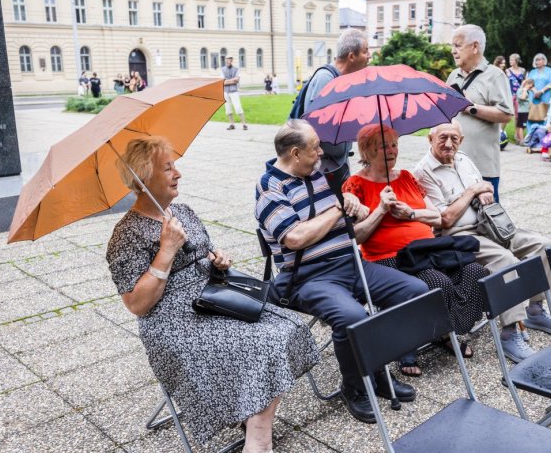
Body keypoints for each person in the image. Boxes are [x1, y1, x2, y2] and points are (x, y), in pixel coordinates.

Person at [106, 136, 319, 453]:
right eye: (168, 168)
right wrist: (166, 251)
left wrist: (217, 260)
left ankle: (252, 414)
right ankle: (259, 439)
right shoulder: (126, 235)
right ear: (143, 178)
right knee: (264, 344)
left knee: (289, 327)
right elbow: (137, 304)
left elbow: (204, 253)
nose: (178, 174)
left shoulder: (182, 212)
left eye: (175, 166)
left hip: (212, 296)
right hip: (172, 319)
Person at [255, 119, 429, 424]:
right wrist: (338, 208)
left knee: (415, 293)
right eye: (314, 148)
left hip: (350, 263)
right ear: (294, 153)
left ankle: (379, 369)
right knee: (353, 318)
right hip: (308, 277)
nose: (321, 153)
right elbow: (294, 238)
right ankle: (355, 387)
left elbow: (347, 225)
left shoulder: (318, 175)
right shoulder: (270, 187)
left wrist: (355, 206)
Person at [414, 121, 551, 363]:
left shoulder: (464, 159)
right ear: (430, 139)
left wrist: (484, 191)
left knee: (544, 245)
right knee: (506, 261)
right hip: (459, 235)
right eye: (442, 137)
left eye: (454, 138)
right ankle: (509, 334)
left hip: (489, 224)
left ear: (461, 141)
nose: (448, 144)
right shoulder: (423, 172)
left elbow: (483, 189)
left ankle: (536, 310)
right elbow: (444, 219)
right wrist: (473, 191)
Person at [342, 124, 488, 368]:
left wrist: (410, 214)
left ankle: (445, 330)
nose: (391, 151)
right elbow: (355, 238)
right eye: (383, 146)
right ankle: (436, 334)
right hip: (389, 257)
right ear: (366, 151)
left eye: (394, 145)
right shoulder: (354, 186)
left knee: (475, 272)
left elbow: (436, 218)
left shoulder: (407, 178)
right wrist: (381, 210)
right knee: (437, 283)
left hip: (428, 251)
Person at [446, 24, 513, 203]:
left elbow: (506, 114)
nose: (453, 51)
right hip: (452, 163)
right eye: (452, 46)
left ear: (474, 47)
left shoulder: (495, 75)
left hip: (482, 167)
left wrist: (471, 107)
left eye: (457, 45)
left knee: (488, 219)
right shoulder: (453, 76)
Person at [303, 28, 371, 177]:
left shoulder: (345, 81)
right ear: (352, 56)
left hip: (338, 162)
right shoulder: (325, 80)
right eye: (366, 51)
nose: (369, 56)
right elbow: (314, 126)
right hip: (324, 167)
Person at [526, 53, 551, 134]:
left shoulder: (550, 71)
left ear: (544, 61)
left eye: (539, 59)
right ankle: (531, 135)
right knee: (532, 114)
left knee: (545, 115)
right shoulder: (532, 71)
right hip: (533, 96)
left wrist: (541, 91)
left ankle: (544, 135)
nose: (537, 61)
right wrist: (535, 91)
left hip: (546, 95)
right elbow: (528, 82)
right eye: (536, 60)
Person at [222, 56, 248, 130]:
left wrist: (227, 81)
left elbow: (237, 80)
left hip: (234, 91)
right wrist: (232, 80)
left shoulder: (236, 69)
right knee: (228, 108)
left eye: (229, 60)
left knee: (238, 107)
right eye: (227, 60)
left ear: (231, 60)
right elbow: (222, 82)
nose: (228, 61)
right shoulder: (222, 70)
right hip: (226, 92)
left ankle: (244, 124)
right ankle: (231, 124)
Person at [507, 54, 526, 142]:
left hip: (519, 96)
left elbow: (524, 82)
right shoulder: (507, 71)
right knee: (508, 114)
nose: (510, 62)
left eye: (512, 60)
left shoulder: (522, 70)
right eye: (510, 60)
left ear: (517, 61)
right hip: (510, 95)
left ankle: (517, 134)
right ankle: (501, 133)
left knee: (518, 116)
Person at [516, 78, 534, 144]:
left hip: (526, 111)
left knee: (520, 125)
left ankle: (518, 139)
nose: (530, 88)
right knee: (522, 126)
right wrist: (525, 90)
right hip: (523, 111)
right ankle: (521, 140)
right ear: (526, 84)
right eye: (530, 86)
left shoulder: (527, 91)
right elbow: (523, 98)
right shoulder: (521, 90)